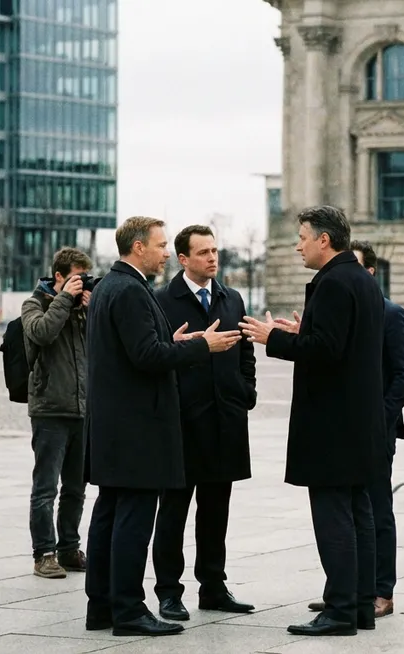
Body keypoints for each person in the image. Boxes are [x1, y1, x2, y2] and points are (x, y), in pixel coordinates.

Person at [84, 216, 241, 637]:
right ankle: (129, 610)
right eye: (159, 245)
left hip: (114, 428)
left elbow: (139, 350)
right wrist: (200, 347)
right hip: (136, 429)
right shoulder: (130, 290)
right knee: (132, 520)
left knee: (108, 516)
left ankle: (101, 606)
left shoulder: (108, 288)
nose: (165, 252)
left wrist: (176, 343)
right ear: (138, 248)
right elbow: (146, 357)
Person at [240, 206, 386, 637]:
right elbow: (341, 342)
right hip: (356, 421)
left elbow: (327, 350)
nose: (297, 244)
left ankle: (339, 610)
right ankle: (359, 605)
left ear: (325, 240)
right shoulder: (360, 279)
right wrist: (303, 333)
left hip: (333, 424)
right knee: (358, 512)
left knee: (334, 515)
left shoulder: (336, 282)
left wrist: (276, 339)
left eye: (302, 236)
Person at [307, 240, 404, 619]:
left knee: (375, 509)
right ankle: (349, 589)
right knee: (350, 510)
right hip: (349, 428)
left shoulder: (391, 314)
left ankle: (380, 591)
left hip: (375, 429)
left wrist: (380, 416)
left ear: (369, 273)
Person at [152, 225, 257, 620]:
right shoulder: (162, 301)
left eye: (215, 251)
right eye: (203, 253)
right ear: (183, 259)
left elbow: (246, 351)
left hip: (225, 421)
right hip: (181, 424)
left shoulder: (232, 299)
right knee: (173, 512)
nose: (213, 258)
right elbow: (158, 357)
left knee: (216, 511)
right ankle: (168, 592)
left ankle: (213, 586)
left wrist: (246, 391)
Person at [20, 247, 93, 579]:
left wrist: (94, 311)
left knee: (76, 488)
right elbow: (42, 332)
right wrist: (64, 299)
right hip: (49, 409)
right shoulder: (34, 303)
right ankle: (43, 554)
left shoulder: (82, 310)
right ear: (60, 276)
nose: (80, 285)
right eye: (76, 278)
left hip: (81, 409)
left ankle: (68, 548)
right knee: (46, 487)